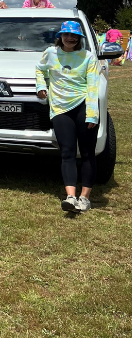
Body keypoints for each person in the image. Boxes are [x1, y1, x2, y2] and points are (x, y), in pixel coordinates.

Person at [36, 21, 100, 213]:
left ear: (80, 38)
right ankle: (71, 197)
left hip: (83, 106)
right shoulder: (51, 53)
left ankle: (85, 198)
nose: (70, 38)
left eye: (74, 36)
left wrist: (92, 114)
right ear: (60, 37)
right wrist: (41, 86)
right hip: (60, 109)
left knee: (88, 153)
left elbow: (93, 86)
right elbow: (40, 69)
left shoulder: (88, 57)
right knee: (67, 152)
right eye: (66, 35)